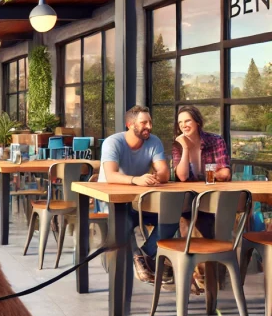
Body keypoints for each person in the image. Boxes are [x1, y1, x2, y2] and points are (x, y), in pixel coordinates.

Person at [99, 105, 175, 286]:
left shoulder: (153, 141)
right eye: (144, 123)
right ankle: (139, 259)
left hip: (139, 201)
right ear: (129, 124)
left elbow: (164, 172)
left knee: (171, 216)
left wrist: (155, 177)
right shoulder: (113, 142)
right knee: (122, 215)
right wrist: (135, 180)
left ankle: (144, 256)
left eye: (150, 122)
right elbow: (110, 175)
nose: (148, 126)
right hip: (110, 201)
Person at [170, 104, 231, 293]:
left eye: (187, 120)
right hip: (188, 199)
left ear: (197, 121)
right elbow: (181, 176)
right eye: (180, 122)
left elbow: (225, 173)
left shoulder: (215, 141)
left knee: (205, 226)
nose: (184, 125)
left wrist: (205, 174)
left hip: (212, 197)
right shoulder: (178, 144)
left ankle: (205, 277)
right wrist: (186, 148)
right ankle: (196, 275)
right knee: (185, 222)